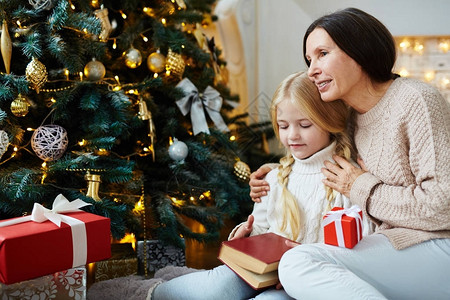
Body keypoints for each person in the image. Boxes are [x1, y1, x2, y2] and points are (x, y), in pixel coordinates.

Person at [250, 7, 450, 300]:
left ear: (359, 51)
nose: (311, 70)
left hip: (435, 245)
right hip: (387, 248)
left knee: (297, 262)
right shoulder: (352, 118)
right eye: (309, 59)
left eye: (322, 54)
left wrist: (361, 188)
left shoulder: (416, 100)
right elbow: (330, 164)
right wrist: (279, 171)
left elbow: (442, 206)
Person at [150, 71, 371, 300]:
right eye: (283, 126)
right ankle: (147, 293)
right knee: (215, 284)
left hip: (306, 280)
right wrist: (246, 238)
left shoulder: (345, 178)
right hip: (263, 272)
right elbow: (261, 228)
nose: (292, 135)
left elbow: (356, 247)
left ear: (329, 121)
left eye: (305, 125)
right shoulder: (275, 177)